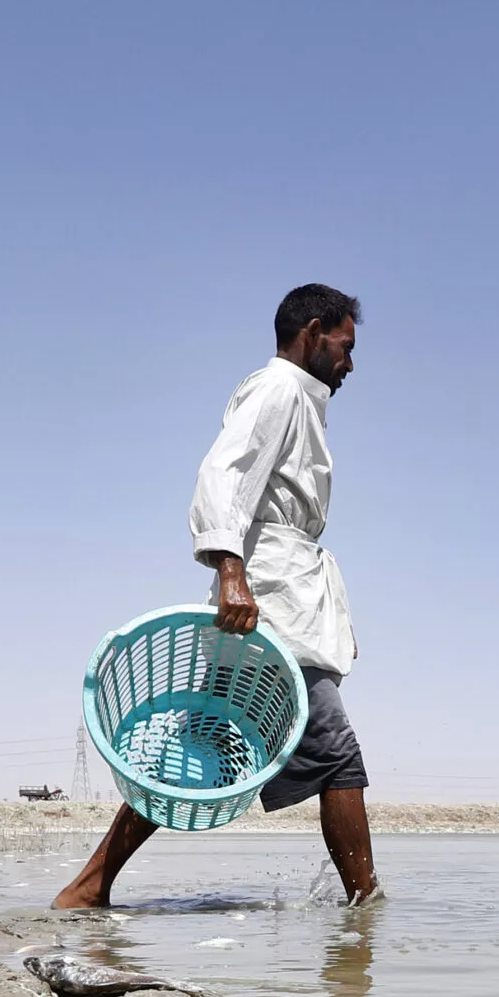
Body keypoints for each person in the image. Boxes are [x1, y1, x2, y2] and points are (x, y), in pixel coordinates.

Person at [54, 284, 379, 908]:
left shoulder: (300, 400)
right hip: (268, 606)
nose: (350, 363)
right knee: (337, 756)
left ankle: (89, 887)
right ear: (313, 332)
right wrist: (231, 571)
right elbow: (222, 474)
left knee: (207, 741)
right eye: (345, 346)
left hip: (281, 595)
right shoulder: (280, 387)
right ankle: (365, 912)